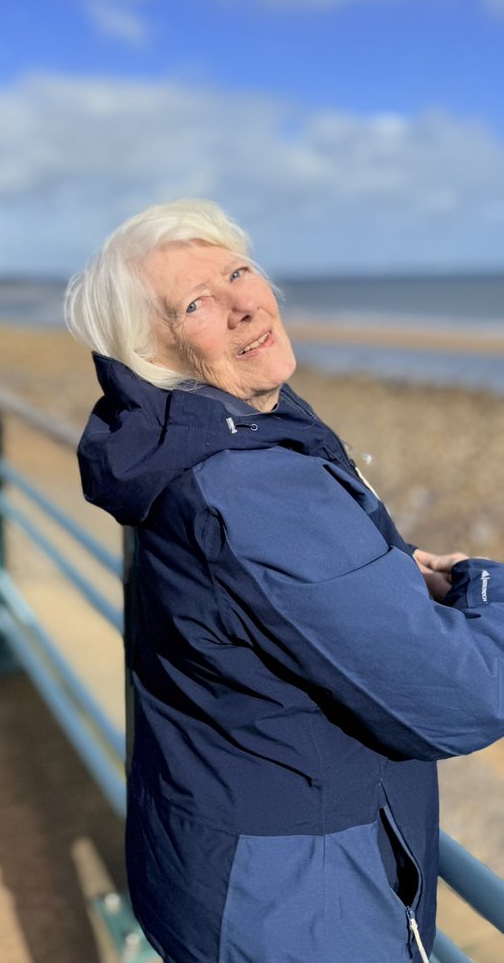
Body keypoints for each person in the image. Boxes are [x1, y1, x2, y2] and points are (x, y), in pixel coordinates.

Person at [64, 197, 504, 963]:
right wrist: (482, 585)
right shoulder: (248, 486)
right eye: (197, 303)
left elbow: (263, 600)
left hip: (215, 863)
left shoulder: (176, 443)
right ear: (154, 351)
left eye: (239, 271)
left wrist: (390, 574)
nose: (242, 306)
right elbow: (463, 697)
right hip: (300, 909)